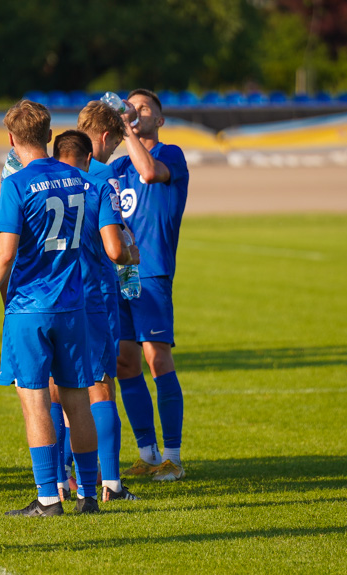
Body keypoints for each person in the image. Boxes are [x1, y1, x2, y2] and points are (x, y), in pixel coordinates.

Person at [0, 100, 100, 516]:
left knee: (34, 400)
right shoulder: (81, 179)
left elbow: (5, 254)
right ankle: (87, 495)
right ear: (48, 135)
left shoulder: (17, 183)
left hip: (30, 307)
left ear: (11, 140)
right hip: (73, 304)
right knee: (78, 399)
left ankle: (48, 498)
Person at [51, 129, 139, 502]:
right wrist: (132, 255)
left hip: (53, 298)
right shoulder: (99, 185)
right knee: (101, 386)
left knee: (57, 390)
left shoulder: (42, 187)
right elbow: (115, 249)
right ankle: (111, 484)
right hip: (93, 298)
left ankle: (58, 480)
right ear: (89, 158)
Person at [110, 89, 189, 481]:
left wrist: (126, 130)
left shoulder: (170, 155)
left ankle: (173, 456)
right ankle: (148, 453)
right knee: (125, 361)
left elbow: (149, 173)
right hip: (121, 272)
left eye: (144, 109)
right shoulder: (119, 165)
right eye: (129, 107)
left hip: (153, 269)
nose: (135, 112)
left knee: (157, 358)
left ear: (159, 119)